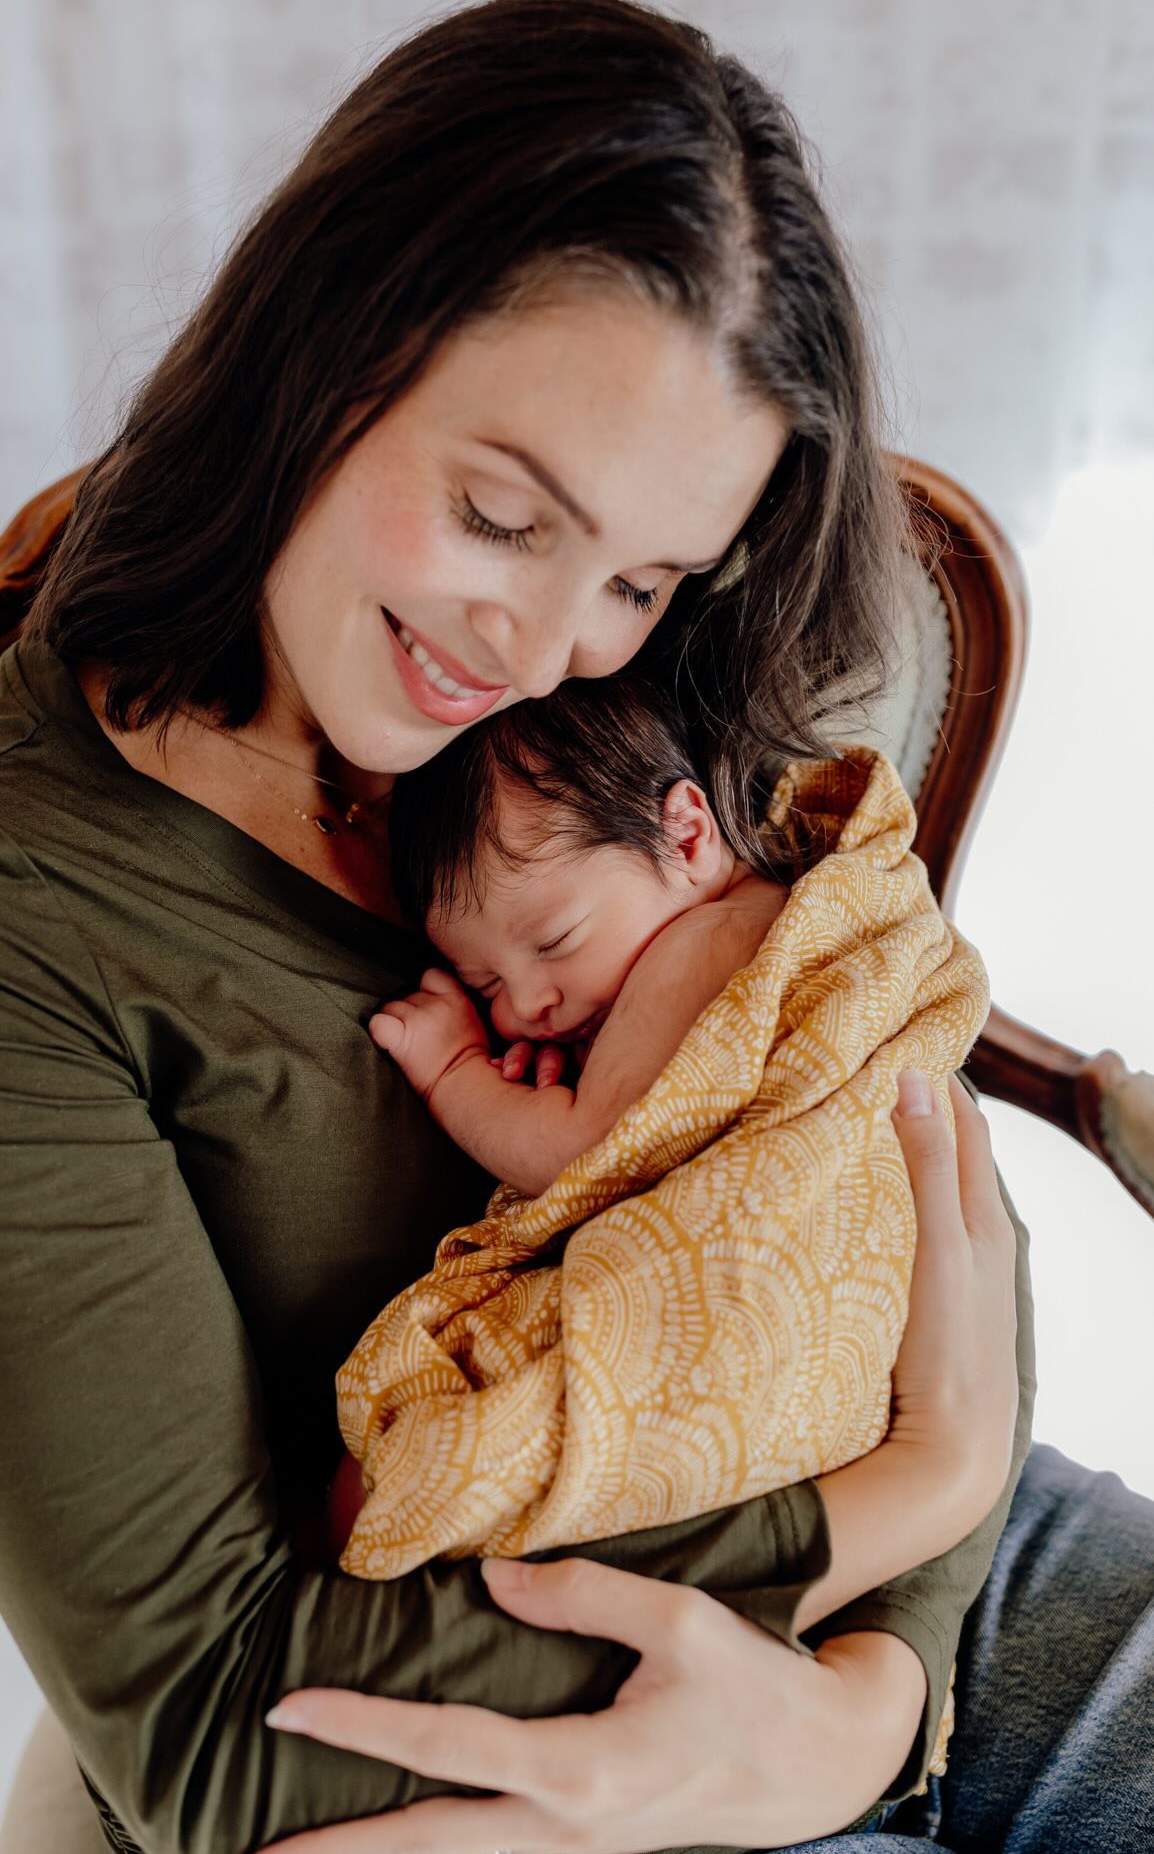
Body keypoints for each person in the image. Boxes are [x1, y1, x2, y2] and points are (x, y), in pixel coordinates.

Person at [0, 0, 1146, 1854]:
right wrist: (891, 1497)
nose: (539, 647)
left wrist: (873, 1680)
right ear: (321, 341)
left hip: (926, 1569)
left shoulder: (646, 716)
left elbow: (881, 1131)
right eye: (497, 514)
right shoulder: (42, 913)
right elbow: (211, 1755)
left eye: (631, 575)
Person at [332, 674, 995, 1594]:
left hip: (774, 1283)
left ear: (686, 835)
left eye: (556, 941)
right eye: (483, 985)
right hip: (927, 1408)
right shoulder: (761, 911)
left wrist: (457, 1075)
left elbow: (579, 1153)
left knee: (398, 1474)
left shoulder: (703, 946)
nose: (526, 1004)